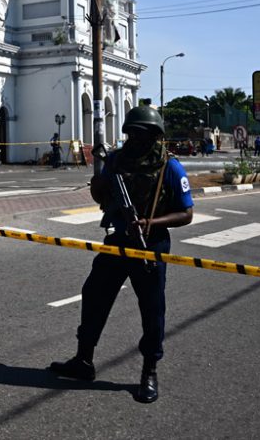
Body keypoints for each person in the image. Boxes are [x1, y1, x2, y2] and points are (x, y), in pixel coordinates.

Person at [49, 106, 193, 404]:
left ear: (155, 136)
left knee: (152, 310)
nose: (135, 140)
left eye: (142, 134)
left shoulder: (170, 167)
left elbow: (186, 213)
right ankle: (83, 360)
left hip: (151, 244)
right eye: (131, 133)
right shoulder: (117, 160)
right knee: (93, 295)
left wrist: (151, 223)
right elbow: (101, 197)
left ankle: (149, 371)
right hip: (117, 241)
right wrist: (99, 182)